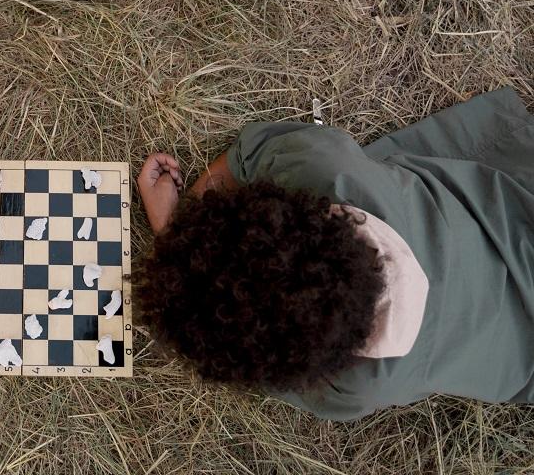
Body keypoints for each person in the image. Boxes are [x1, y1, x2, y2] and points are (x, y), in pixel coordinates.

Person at [134, 87, 534, 421]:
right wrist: (179, 230)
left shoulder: (355, 389)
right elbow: (249, 154)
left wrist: (171, 228)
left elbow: (259, 355)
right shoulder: (323, 167)